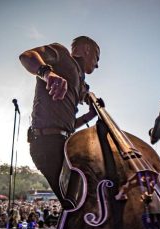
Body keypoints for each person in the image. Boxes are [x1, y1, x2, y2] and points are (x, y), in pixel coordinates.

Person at [19, 36, 100, 204]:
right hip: (47, 142)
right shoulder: (62, 54)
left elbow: (68, 125)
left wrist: (89, 116)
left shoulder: (81, 81)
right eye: (96, 57)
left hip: (64, 142)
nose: (97, 64)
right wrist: (47, 74)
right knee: (76, 201)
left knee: (78, 200)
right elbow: (27, 56)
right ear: (86, 49)